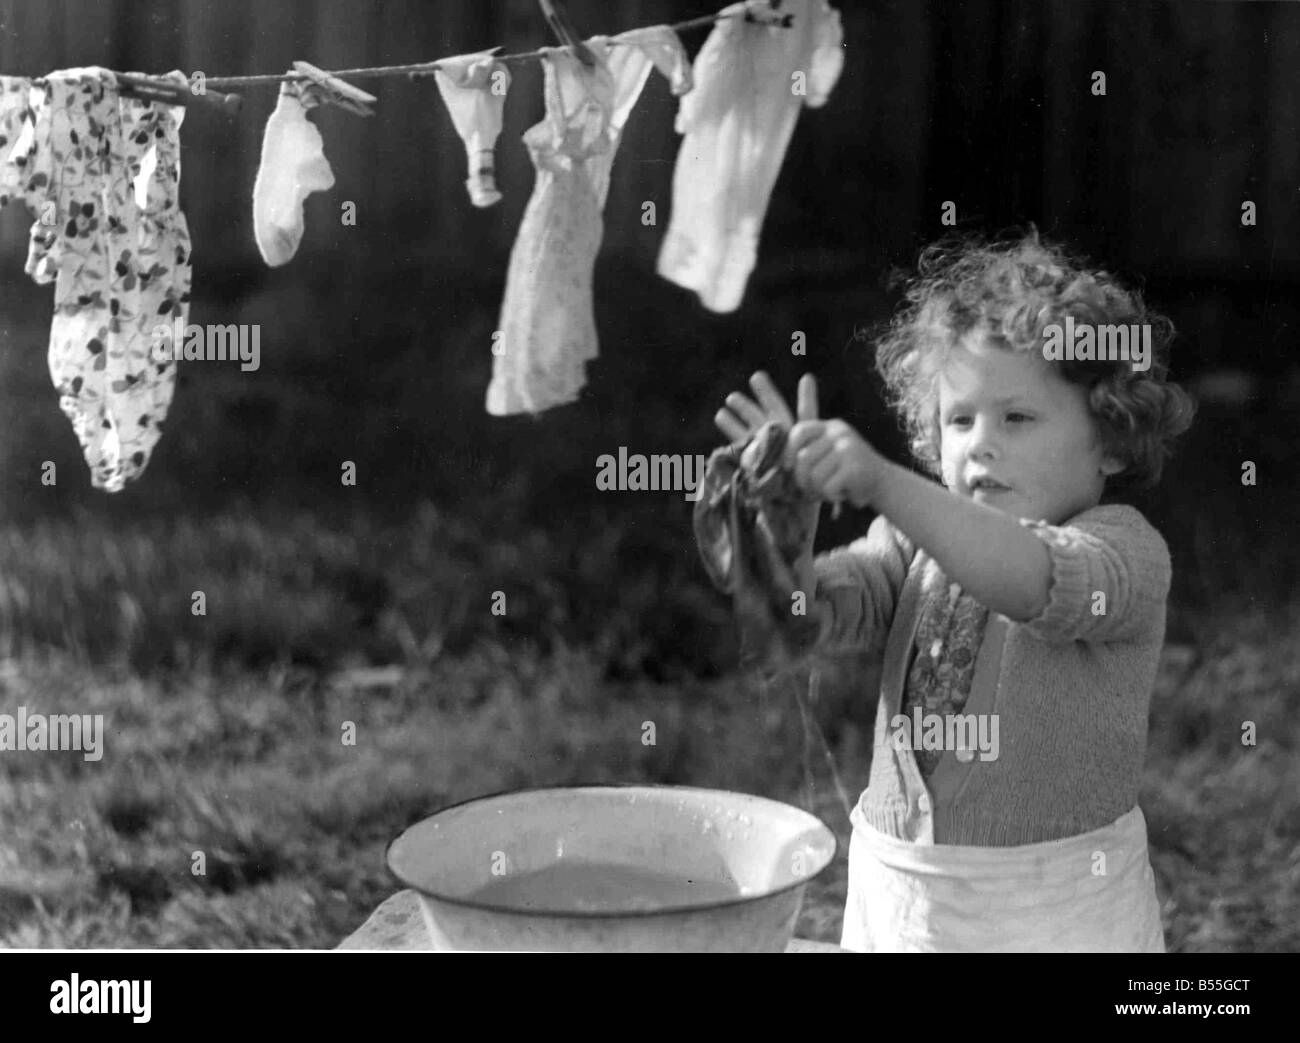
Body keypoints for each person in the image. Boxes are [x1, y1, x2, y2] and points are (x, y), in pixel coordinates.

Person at [710, 228, 1195, 952]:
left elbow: (1033, 580)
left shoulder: (1123, 552)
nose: (980, 444)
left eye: (1017, 417)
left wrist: (881, 481)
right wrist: (781, 536)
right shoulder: (912, 545)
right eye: (958, 419)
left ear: (1113, 436)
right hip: (907, 896)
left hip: (1051, 912)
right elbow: (806, 620)